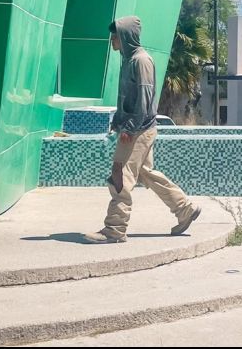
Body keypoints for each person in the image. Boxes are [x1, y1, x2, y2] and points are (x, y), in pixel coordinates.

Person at [84, 17, 201, 243]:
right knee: (146, 174)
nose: (112, 40)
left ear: (126, 36)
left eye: (116, 35)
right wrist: (118, 120)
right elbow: (128, 98)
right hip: (135, 127)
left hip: (138, 129)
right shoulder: (129, 60)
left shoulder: (141, 61)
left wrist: (130, 127)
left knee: (120, 173)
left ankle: (115, 229)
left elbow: (146, 101)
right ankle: (185, 209)